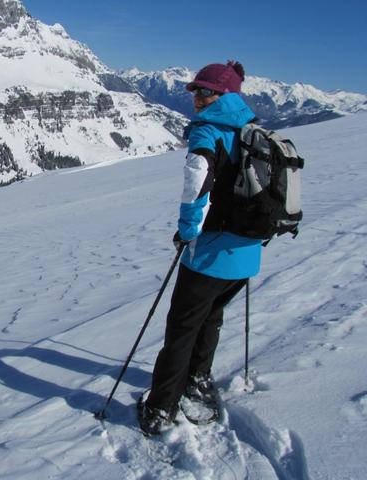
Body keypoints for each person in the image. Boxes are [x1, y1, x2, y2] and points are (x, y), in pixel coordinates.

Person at [138, 60, 262, 435]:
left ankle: (161, 407)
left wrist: (187, 231)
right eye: (194, 89)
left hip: (210, 251)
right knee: (210, 317)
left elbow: (197, 182)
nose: (195, 96)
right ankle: (198, 379)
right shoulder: (251, 129)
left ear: (222, 95)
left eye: (204, 90)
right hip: (247, 251)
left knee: (181, 328)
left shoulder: (208, 131)